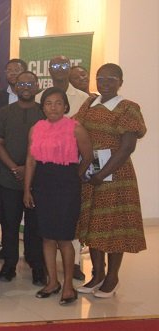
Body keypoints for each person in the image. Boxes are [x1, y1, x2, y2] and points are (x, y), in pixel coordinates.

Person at [74, 63, 147, 298]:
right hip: (91, 172)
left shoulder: (128, 108)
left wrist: (102, 174)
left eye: (111, 78)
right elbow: (73, 129)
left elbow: (127, 148)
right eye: (100, 78)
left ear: (120, 82)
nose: (104, 82)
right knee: (94, 224)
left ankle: (112, 277)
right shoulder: (89, 103)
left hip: (116, 176)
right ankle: (97, 274)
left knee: (114, 226)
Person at [23, 87, 93, 305]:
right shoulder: (36, 128)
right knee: (46, 236)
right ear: (42, 107)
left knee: (64, 238)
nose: (53, 107)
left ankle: (69, 286)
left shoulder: (76, 128)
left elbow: (88, 156)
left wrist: (76, 176)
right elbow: (31, 161)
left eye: (58, 103)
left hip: (67, 186)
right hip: (42, 185)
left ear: (65, 106)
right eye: (48, 103)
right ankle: (52, 282)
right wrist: (27, 189)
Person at [0, 71, 46, 285]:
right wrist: (16, 168)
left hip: (39, 180)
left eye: (30, 83)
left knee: (35, 225)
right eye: (21, 83)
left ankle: (37, 266)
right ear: (14, 87)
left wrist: (29, 168)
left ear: (37, 86)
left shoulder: (44, 112)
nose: (25, 87)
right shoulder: (4, 112)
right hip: (9, 177)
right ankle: (10, 263)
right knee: (10, 222)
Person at [0, 59, 27, 127]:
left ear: (25, 73)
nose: (12, 73)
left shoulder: (35, 95)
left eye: (17, 70)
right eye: (9, 70)